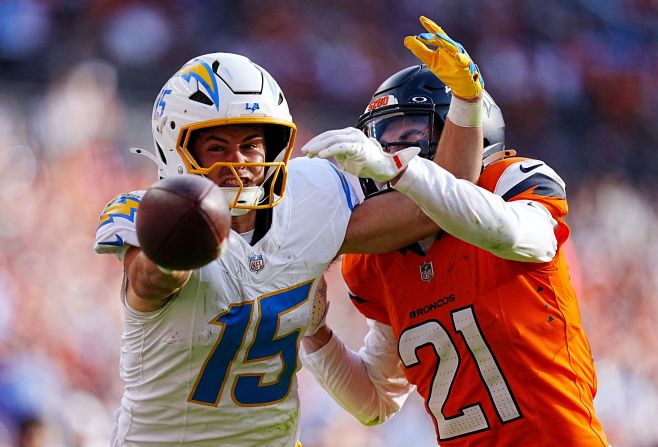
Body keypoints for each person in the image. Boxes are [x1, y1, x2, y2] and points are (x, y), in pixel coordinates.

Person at [93, 20, 485, 447]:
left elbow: (440, 207)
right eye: (217, 147)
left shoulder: (311, 196)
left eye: (251, 145)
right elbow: (150, 280)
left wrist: (467, 102)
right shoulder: (152, 217)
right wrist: (179, 238)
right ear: (177, 149)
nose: (239, 162)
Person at [300, 17, 610, 447]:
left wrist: (405, 172)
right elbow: (375, 401)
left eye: (408, 136)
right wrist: (314, 333)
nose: (389, 153)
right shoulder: (379, 261)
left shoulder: (511, 185)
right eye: (382, 142)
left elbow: (507, 233)